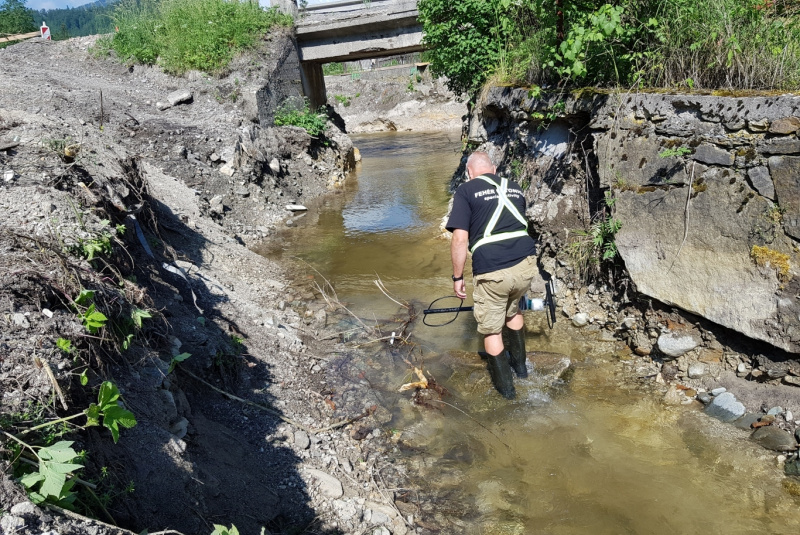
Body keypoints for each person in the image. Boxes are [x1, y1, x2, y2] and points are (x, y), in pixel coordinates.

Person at [445, 151, 538, 399]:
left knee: (491, 331)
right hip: (526, 264)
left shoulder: (465, 191)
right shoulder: (515, 187)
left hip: (493, 269)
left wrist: (457, 277)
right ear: (494, 169)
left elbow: (460, 238)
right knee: (514, 311)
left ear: (469, 173)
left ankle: (508, 395)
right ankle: (521, 371)